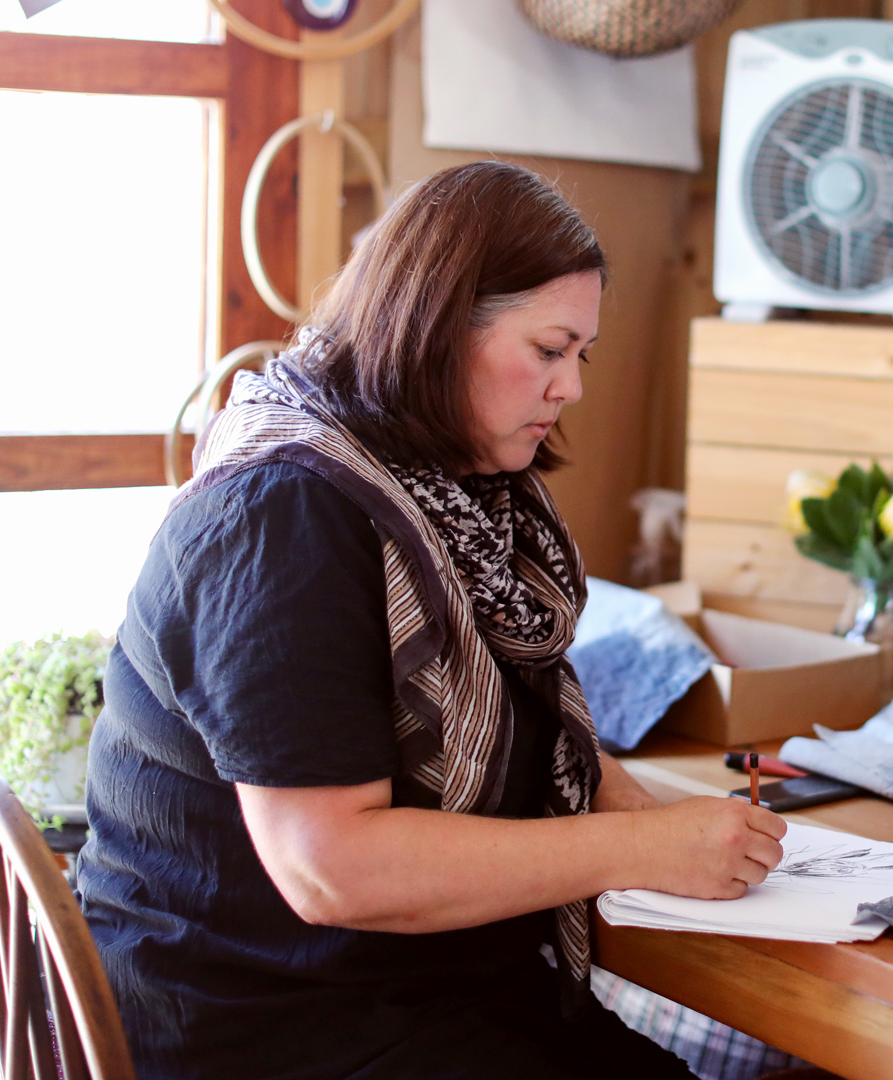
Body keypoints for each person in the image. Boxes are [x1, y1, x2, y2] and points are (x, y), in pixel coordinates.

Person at [78, 161, 788, 1080]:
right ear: (441, 329)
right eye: (548, 349)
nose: (571, 388)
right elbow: (330, 868)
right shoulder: (283, 514)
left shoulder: (439, 489)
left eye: (582, 355)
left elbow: (514, 718)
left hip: (400, 989)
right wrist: (643, 846)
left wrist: (639, 811)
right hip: (262, 1022)